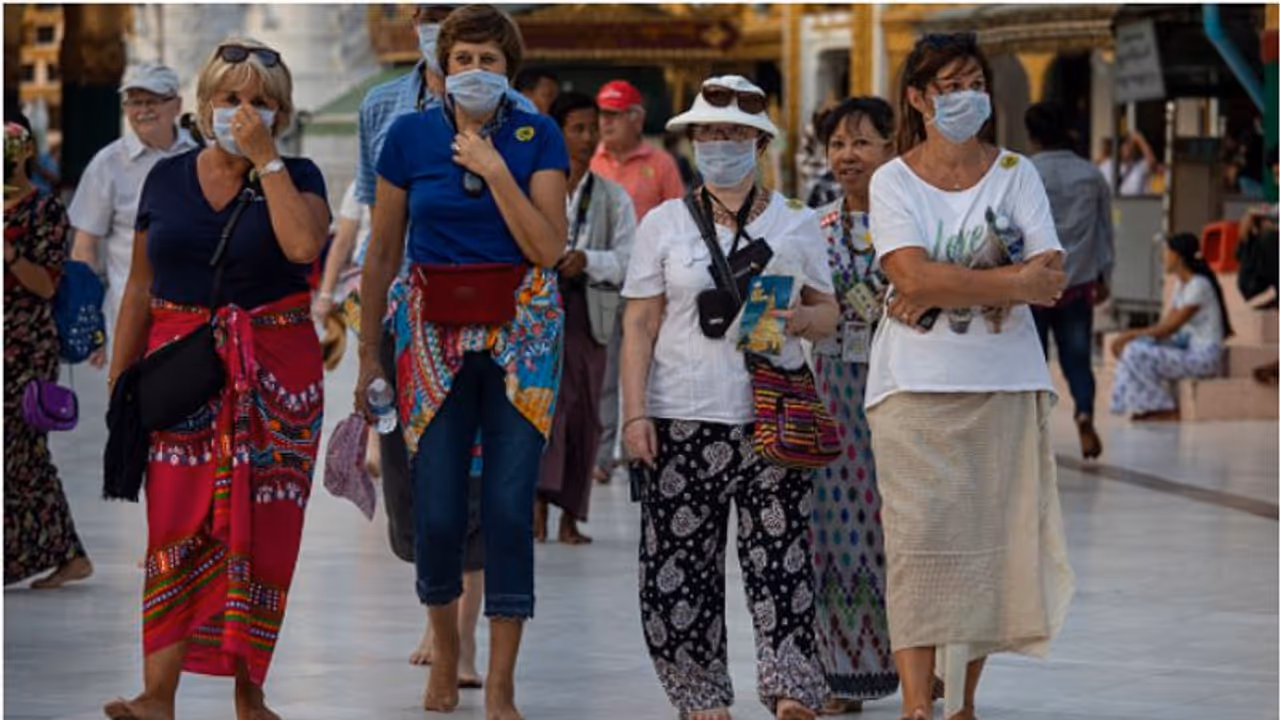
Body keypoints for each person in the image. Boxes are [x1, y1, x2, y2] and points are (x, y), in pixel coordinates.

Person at [102, 39, 330, 720]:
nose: (243, 111)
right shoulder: (166, 180)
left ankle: (250, 693)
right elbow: (141, 286)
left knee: (263, 531)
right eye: (230, 98)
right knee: (173, 522)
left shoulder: (302, 175)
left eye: (260, 101)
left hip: (276, 377)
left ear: (282, 115)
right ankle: (157, 695)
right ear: (204, 107)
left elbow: (301, 248)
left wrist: (268, 163)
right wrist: (122, 384)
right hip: (181, 371)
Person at [356, 5, 568, 717]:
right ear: (442, 66)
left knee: (509, 510)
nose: (476, 72)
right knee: (439, 510)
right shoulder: (409, 135)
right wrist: (365, 357)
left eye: (490, 60)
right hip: (429, 335)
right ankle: (446, 653)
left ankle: (502, 681)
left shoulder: (537, 134)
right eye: (464, 59)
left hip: (523, 337)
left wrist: (493, 166)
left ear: (509, 69)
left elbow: (546, 247)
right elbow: (383, 252)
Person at [865, 33, 1075, 720]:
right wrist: (1002, 281)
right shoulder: (891, 179)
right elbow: (908, 274)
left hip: (1002, 384)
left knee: (987, 547)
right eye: (949, 86)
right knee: (918, 544)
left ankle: (965, 704)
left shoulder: (1016, 170)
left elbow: (1049, 278)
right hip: (912, 388)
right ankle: (918, 706)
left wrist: (967, 284)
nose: (966, 98)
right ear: (919, 98)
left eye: (974, 83)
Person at [621, 74, 839, 720]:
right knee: (679, 565)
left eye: (735, 134)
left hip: (773, 412)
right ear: (691, 143)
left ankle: (792, 685)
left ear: (760, 142)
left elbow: (829, 313)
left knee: (782, 558)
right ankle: (700, 694)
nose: (721, 144)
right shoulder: (663, 224)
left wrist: (793, 320)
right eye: (710, 133)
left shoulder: (797, 221)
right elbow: (639, 324)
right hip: (681, 415)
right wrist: (635, 413)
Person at [809, 96, 899, 714]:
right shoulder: (810, 228)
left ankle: (924, 663)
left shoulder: (915, 222)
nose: (848, 155)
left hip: (906, 388)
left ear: (893, 148)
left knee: (911, 532)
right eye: (838, 144)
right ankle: (843, 676)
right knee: (838, 536)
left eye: (862, 142)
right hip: (836, 395)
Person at [534, 91, 637, 544]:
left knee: (584, 413)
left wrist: (587, 261)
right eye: (576, 128)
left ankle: (570, 516)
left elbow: (629, 259)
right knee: (540, 409)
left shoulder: (613, 198)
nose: (586, 138)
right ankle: (534, 509)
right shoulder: (532, 188)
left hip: (590, 313)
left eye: (592, 129)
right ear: (555, 131)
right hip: (538, 314)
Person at [3, 115, 93, 590]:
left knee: (20, 451)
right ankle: (59, 553)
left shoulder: (44, 211)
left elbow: (44, 285)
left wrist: (9, 253)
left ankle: (65, 554)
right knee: (22, 457)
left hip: (26, 347)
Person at [68, 63, 198, 366]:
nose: (143, 110)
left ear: (176, 105)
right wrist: (91, 323)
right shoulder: (107, 164)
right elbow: (84, 247)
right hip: (128, 315)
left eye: (152, 101)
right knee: (129, 407)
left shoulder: (199, 157)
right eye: (134, 102)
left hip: (193, 312)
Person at [590, 78, 686, 484]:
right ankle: (600, 456)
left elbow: (680, 222)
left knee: (644, 365)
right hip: (602, 281)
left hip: (649, 288)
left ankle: (640, 445)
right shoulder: (591, 161)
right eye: (603, 115)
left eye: (616, 115)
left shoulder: (660, 163)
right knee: (603, 369)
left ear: (637, 118)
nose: (606, 123)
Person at [1025, 101, 1114, 460]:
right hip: (1078, 282)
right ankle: (1084, 414)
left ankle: (1034, 427)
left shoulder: (1025, 173)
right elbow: (1105, 230)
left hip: (1030, 284)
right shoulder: (1092, 175)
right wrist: (1105, 273)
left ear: (1033, 136)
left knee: (1032, 360)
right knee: (1077, 358)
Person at [1110, 233, 1232, 420]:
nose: (1163, 257)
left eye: (1167, 252)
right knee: (1132, 350)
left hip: (1204, 358)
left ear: (1178, 256)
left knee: (1134, 351)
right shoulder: (1181, 285)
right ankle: (1144, 406)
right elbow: (1165, 324)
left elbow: (1170, 328)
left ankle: (1165, 407)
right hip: (1188, 350)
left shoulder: (1199, 285)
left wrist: (1128, 335)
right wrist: (1137, 338)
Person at [1097, 129, 1159, 196]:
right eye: (1124, 146)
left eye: (1129, 146)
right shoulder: (1108, 165)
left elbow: (1152, 162)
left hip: (1136, 204)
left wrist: (1140, 140)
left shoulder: (1138, 166)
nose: (1127, 149)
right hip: (1115, 204)